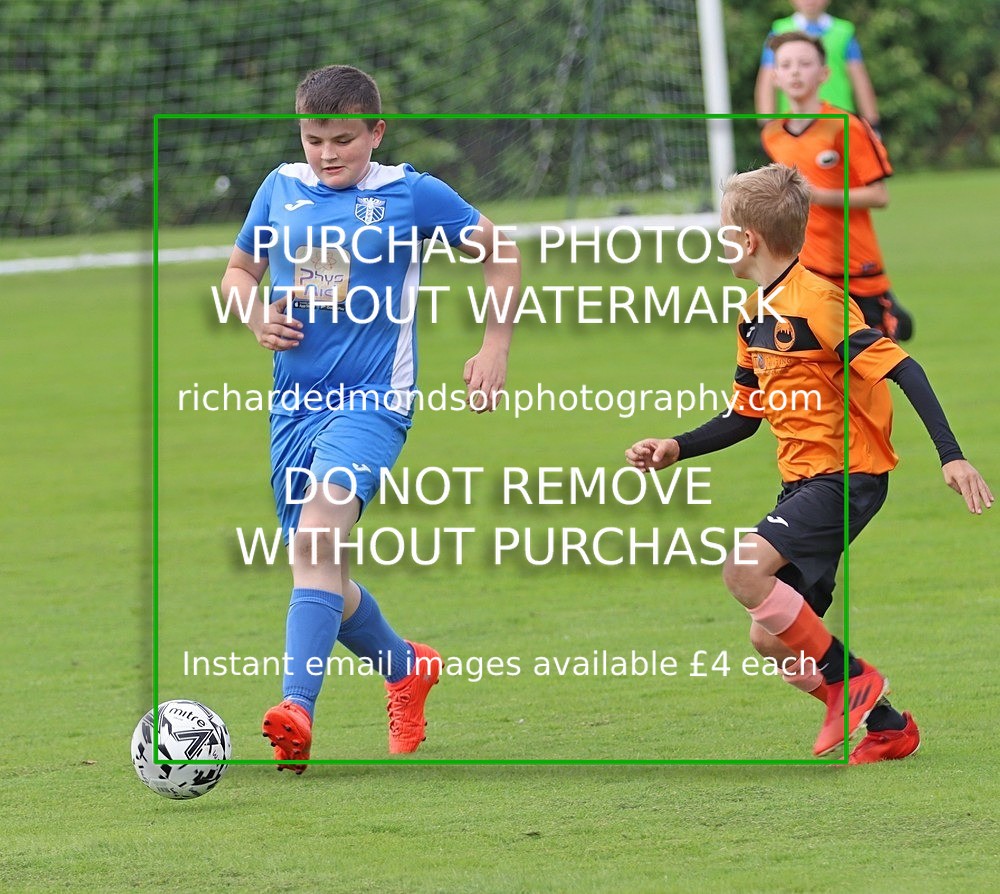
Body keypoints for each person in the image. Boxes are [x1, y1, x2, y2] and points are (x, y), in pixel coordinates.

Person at [625, 163, 992, 764]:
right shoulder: (752, 315)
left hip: (849, 476)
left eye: (722, 228)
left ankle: (854, 681)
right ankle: (887, 726)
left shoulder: (819, 302)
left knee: (744, 572)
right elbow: (746, 416)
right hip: (802, 486)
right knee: (770, 639)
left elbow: (905, 368)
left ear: (747, 240)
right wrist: (677, 446)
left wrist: (952, 458)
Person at [221, 65, 520, 771]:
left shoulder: (411, 194)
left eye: (345, 140)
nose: (328, 153)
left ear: (376, 133)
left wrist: (495, 345)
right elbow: (238, 273)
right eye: (315, 138)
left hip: (373, 403)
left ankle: (296, 708)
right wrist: (253, 315)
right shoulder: (279, 189)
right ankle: (405, 666)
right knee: (317, 567)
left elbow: (500, 252)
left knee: (319, 539)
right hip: (293, 408)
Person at [761, 31, 912, 342]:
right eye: (786, 65)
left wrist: (815, 195)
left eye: (804, 63)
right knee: (810, 374)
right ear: (775, 76)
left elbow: (879, 195)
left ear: (824, 73)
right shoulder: (773, 135)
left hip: (856, 269)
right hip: (806, 272)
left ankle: (889, 309)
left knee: (869, 375)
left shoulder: (848, 126)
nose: (795, 71)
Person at [754, 0, 879, 132]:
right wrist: (766, 125)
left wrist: (872, 123)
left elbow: (860, 79)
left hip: (838, 122)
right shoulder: (778, 31)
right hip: (794, 124)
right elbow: (766, 81)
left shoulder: (844, 33)